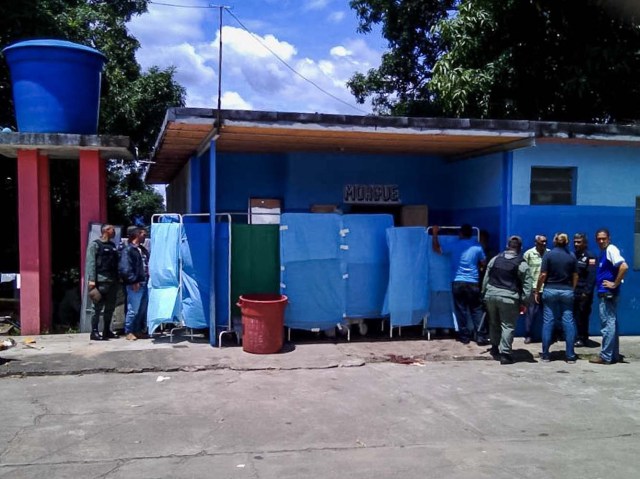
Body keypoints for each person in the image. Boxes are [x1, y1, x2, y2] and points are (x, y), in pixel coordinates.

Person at [432, 224, 488, 345]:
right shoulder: (477, 246)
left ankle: (464, 337)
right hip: (473, 282)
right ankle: (480, 336)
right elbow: (484, 261)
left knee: (461, 309)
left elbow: (437, 249)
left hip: (457, 281)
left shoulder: (454, 245)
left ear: (461, 233)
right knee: (476, 309)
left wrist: (435, 234)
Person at [482, 235, 532, 364]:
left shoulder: (495, 259)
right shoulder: (522, 264)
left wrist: (484, 294)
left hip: (491, 295)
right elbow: (527, 286)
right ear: (520, 248)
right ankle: (505, 354)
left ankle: (494, 347)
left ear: (507, 246)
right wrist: (525, 302)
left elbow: (486, 278)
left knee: (494, 322)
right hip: (509, 298)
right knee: (507, 325)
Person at [534, 233, 578, 363]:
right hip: (567, 290)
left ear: (554, 241)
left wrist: (537, 290)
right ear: (567, 242)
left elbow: (543, 275)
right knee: (568, 322)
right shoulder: (571, 256)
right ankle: (570, 356)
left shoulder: (549, 255)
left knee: (548, 322)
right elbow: (575, 275)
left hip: (550, 289)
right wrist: (573, 289)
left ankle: (546, 355)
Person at [590, 229, 629, 365]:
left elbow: (624, 267)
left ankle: (606, 356)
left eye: (604, 238)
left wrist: (614, 283)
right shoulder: (604, 252)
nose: (601, 241)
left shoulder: (611, 249)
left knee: (608, 324)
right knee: (612, 323)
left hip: (608, 293)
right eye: (599, 239)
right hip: (606, 293)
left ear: (609, 238)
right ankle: (614, 355)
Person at [85, 224, 120, 341]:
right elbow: (91, 263)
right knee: (97, 308)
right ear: (105, 231)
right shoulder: (95, 245)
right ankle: (94, 332)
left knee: (110, 308)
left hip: (112, 281)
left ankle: (106, 330)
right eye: (112, 229)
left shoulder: (112, 245)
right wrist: (91, 280)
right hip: (100, 281)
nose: (114, 231)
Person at [119, 226, 150, 341]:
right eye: (143, 234)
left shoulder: (142, 249)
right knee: (133, 309)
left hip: (144, 282)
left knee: (142, 309)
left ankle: (138, 330)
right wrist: (133, 281)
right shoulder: (128, 250)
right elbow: (125, 268)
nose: (145, 237)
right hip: (136, 284)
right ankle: (129, 331)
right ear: (137, 234)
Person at [522, 235, 549, 343]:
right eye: (541, 241)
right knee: (531, 313)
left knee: (548, 314)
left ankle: (548, 336)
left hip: (546, 287)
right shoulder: (528, 254)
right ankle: (528, 334)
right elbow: (523, 270)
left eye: (545, 241)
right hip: (533, 288)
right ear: (536, 242)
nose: (544, 243)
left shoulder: (549, 253)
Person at [572, 233, 597, 347]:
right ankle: (575, 336)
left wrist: (586, 292)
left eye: (579, 242)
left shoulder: (590, 256)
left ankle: (582, 337)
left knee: (582, 315)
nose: (576, 244)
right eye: (575, 241)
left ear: (585, 243)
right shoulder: (573, 255)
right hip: (574, 291)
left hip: (583, 292)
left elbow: (591, 276)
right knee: (574, 315)